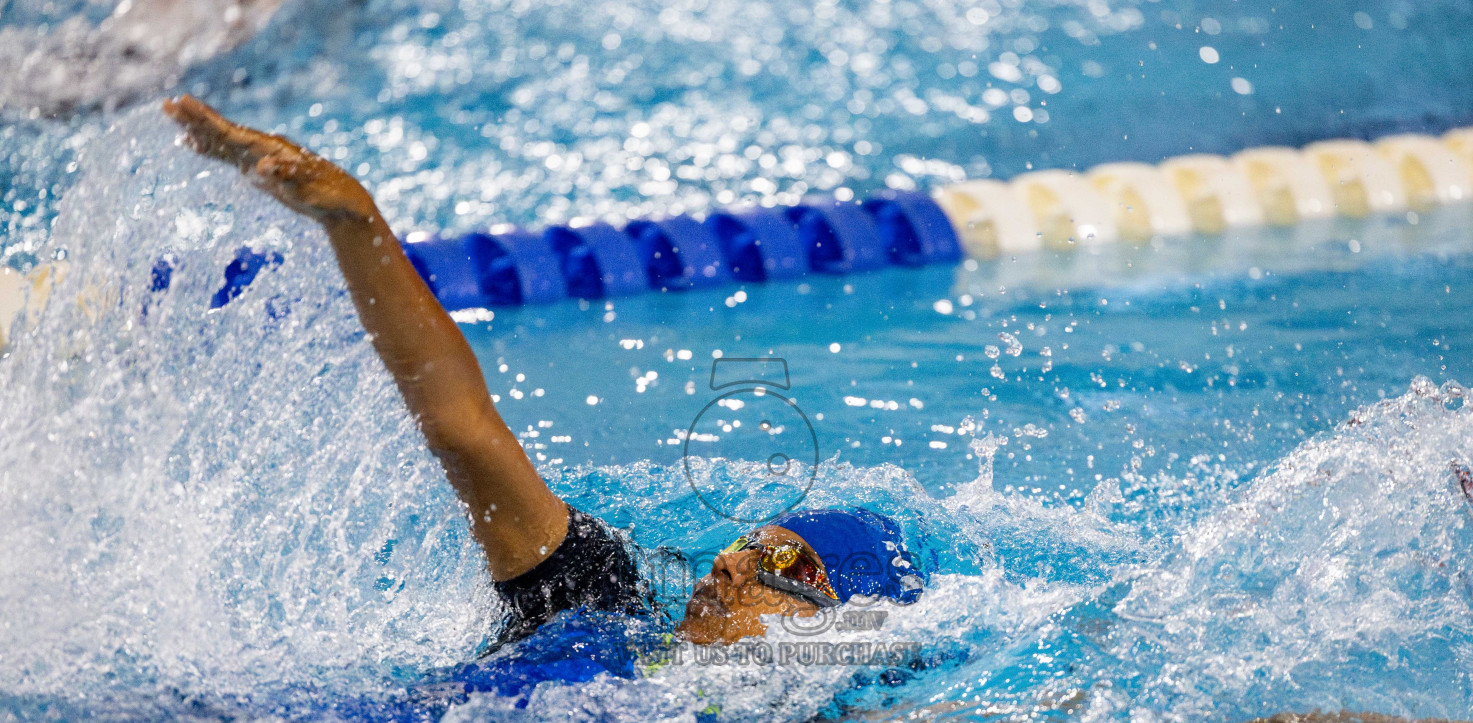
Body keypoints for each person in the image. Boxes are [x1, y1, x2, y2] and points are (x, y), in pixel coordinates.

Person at [162, 96, 926, 651]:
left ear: (832, 619)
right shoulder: (595, 601)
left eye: (780, 561)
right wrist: (354, 217)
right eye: (751, 542)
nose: (731, 562)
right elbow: (461, 429)